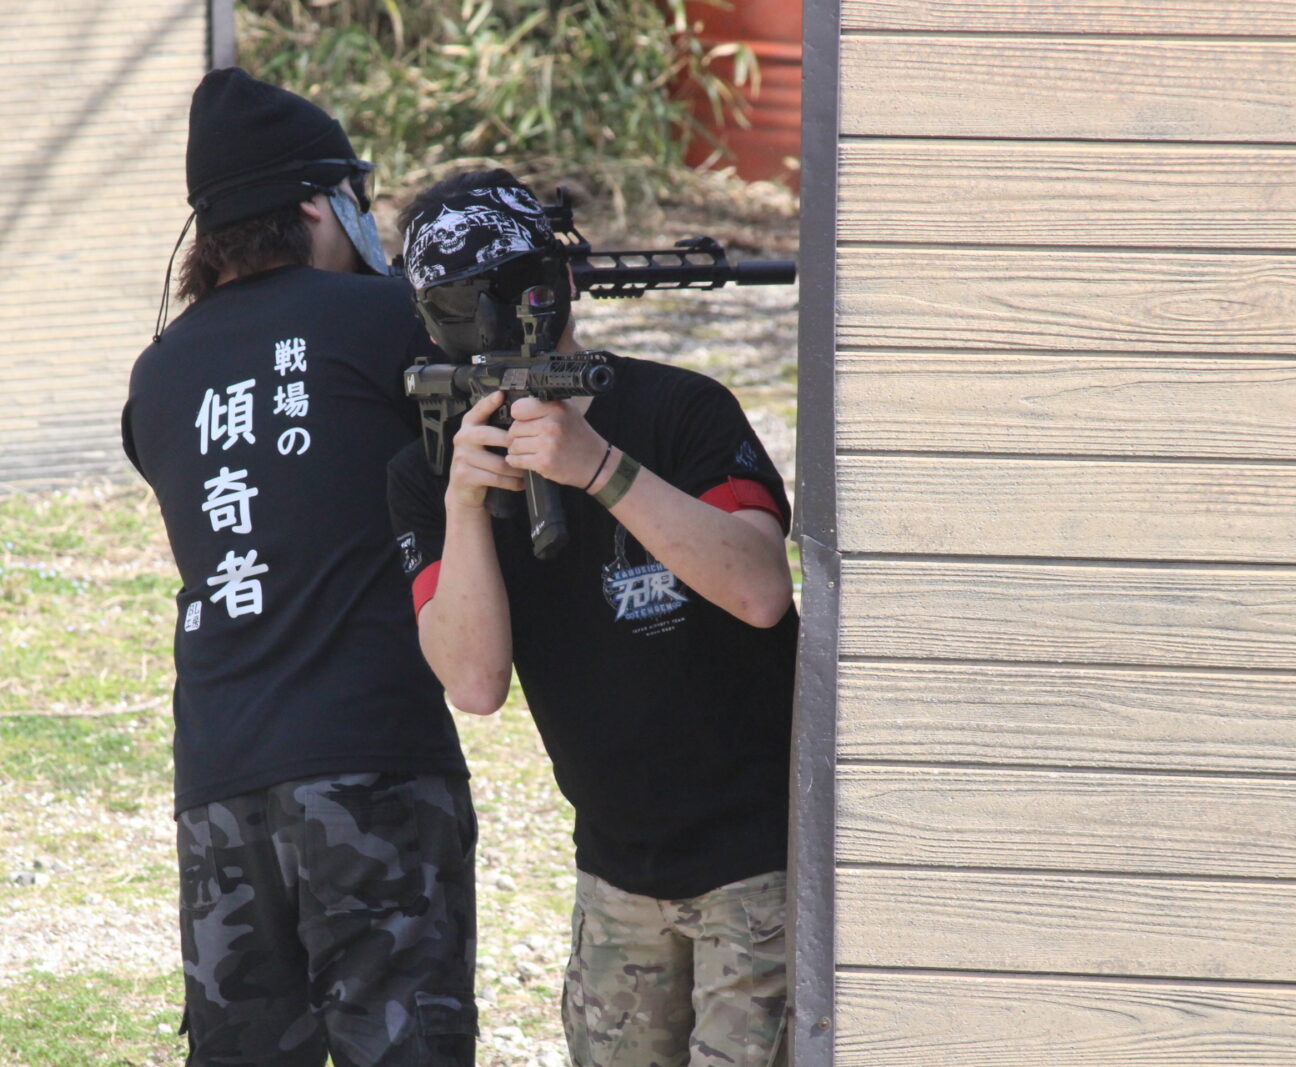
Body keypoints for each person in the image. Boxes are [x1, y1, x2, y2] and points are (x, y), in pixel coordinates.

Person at [386, 169, 797, 1067]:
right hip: (615, 874)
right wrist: (464, 505)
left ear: (559, 284)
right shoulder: (429, 472)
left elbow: (760, 589)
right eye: (460, 306)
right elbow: (473, 682)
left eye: (510, 291)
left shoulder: (679, 409)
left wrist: (600, 469)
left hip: (760, 862)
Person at [120, 69, 477, 1067]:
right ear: (320, 204)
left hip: (219, 778)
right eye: (361, 198)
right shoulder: (384, 323)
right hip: (373, 762)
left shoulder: (157, 373)